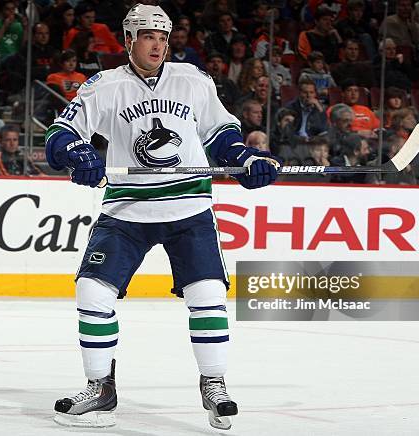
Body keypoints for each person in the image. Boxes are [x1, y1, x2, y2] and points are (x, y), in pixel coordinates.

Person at [44, 4, 281, 430]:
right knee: (91, 293)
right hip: (127, 208)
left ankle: (214, 383)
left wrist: (245, 159)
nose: (158, 44)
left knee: (207, 295)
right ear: (129, 39)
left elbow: (221, 133)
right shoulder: (105, 86)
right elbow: (59, 133)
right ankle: (100, 387)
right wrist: (77, 153)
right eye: (148, 36)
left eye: (163, 36)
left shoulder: (192, 79)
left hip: (188, 207)